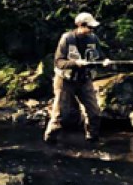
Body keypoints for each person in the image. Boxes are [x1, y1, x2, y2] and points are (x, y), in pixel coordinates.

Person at [44, 12, 110, 144]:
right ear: (80, 25)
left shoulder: (93, 39)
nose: (92, 30)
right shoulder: (67, 39)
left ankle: (92, 139)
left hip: (84, 80)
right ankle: (49, 141)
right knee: (60, 115)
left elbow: (100, 56)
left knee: (95, 112)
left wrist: (105, 61)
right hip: (65, 81)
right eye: (89, 27)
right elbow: (59, 62)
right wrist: (75, 63)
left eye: (93, 28)